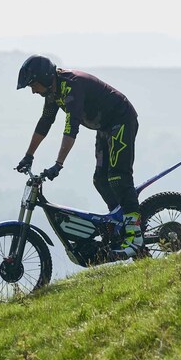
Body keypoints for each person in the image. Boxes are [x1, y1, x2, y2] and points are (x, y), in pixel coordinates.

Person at [14, 54, 143, 257]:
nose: (33, 91)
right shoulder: (53, 92)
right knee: (100, 180)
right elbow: (45, 123)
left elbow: (70, 128)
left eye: (33, 85)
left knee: (119, 177)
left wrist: (58, 164)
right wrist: (28, 156)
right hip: (105, 127)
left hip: (122, 120)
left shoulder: (72, 86)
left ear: (45, 78)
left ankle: (135, 236)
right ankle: (120, 224)